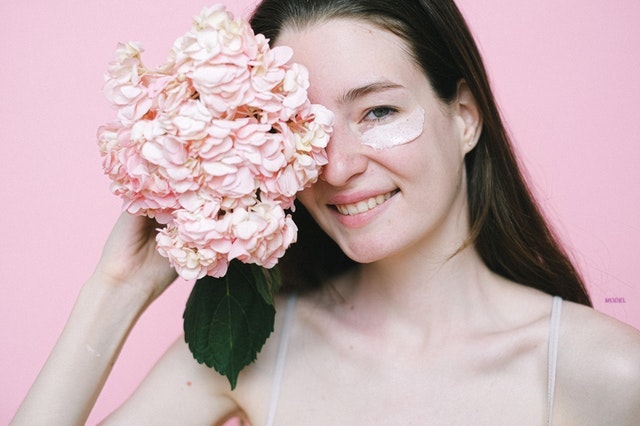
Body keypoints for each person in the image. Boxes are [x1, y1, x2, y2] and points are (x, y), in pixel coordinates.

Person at [13, 0, 640, 424]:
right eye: (301, 126)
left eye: (379, 112)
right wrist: (115, 290)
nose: (336, 168)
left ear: (465, 117)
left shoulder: (604, 371)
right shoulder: (249, 354)